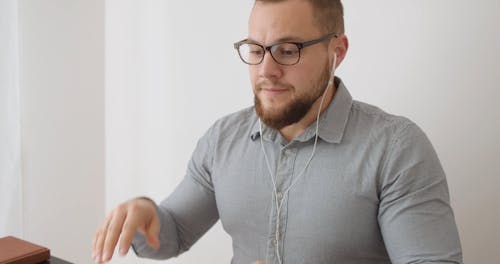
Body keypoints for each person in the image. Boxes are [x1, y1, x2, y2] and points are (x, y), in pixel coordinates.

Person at [92, 0, 463, 263]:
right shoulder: (223, 140)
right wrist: (144, 214)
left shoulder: (396, 149)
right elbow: (171, 233)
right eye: (256, 49)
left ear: (338, 50)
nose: (266, 70)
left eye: (287, 50)